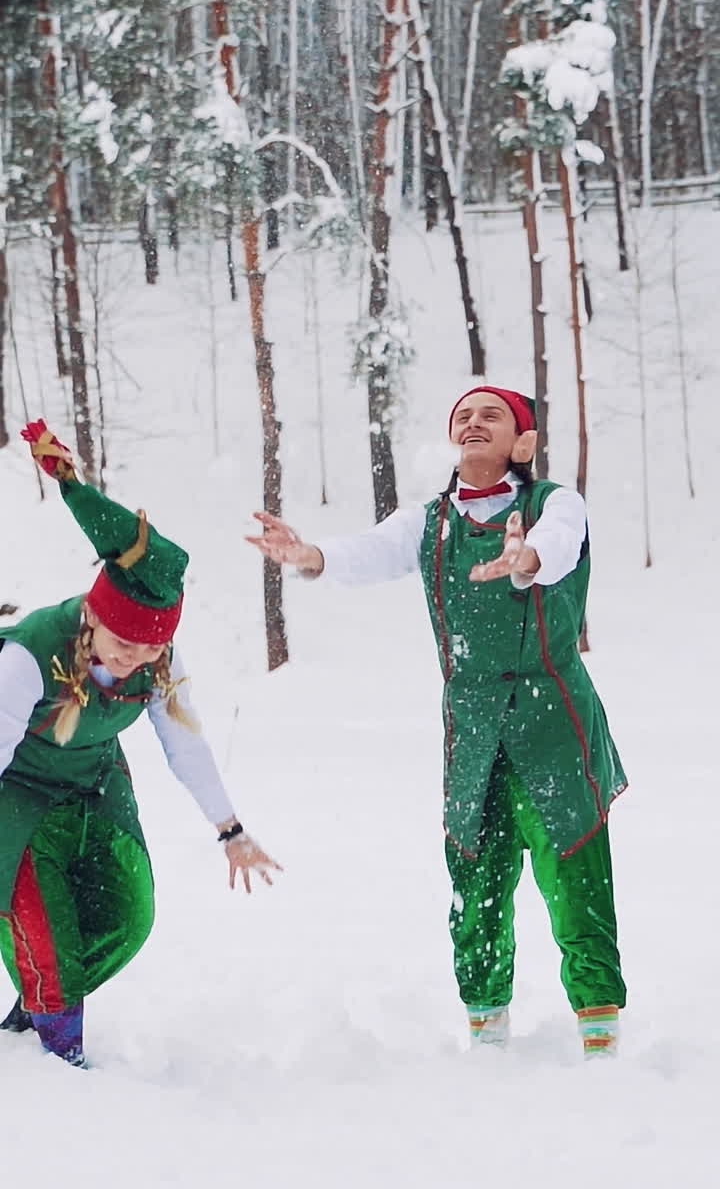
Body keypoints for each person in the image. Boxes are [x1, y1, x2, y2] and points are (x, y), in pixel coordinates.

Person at [247, 385, 627, 1058]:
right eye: (463, 415)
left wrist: (527, 559)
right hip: (473, 728)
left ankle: (600, 1040)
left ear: (524, 442)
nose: (474, 423)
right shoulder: (429, 523)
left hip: (557, 724)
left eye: (492, 415)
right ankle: (488, 1039)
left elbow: (561, 544)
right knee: (476, 885)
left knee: (577, 878)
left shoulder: (553, 505)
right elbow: (366, 552)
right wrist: (310, 557)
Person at [0, 421, 280, 1068]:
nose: (135, 659)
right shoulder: (30, 655)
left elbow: (185, 742)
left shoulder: (156, 660)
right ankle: (58, 1067)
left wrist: (230, 829)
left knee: (126, 917)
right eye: (124, 643)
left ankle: (38, 1000)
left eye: (151, 646)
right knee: (45, 937)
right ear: (93, 616)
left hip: (96, 787)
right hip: (20, 794)